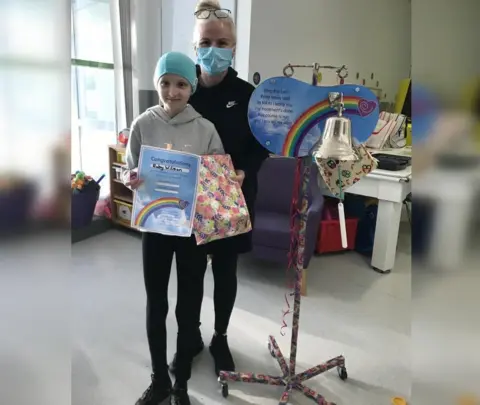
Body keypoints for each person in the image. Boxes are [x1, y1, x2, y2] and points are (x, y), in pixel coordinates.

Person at [168, 0, 269, 377]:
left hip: (234, 200)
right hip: (188, 204)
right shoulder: (182, 90)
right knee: (190, 275)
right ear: (195, 47)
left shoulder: (248, 95)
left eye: (223, 42)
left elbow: (263, 143)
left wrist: (245, 170)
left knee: (226, 274)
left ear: (233, 47)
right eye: (207, 42)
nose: (214, 49)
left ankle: (221, 337)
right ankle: (189, 338)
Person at [123, 51, 224, 405]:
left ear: (192, 87)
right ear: (157, 84)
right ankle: (159, 381)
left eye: (181, 84)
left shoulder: (206, 129)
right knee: (156, 304)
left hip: (191, 231)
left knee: (188, 306)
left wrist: (215, 179)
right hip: (155, 228)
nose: (173, 91)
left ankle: (181, 381)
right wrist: (131, 177)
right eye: (165, 83)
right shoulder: (143, 124)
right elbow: (129, 168)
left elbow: (218, 181)